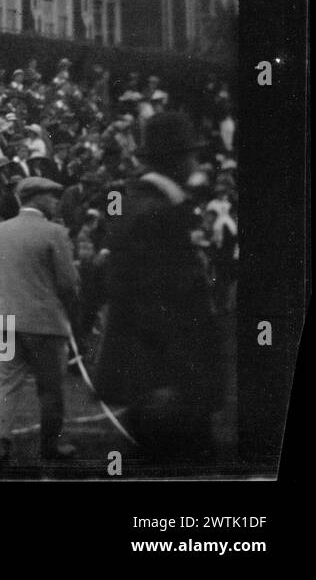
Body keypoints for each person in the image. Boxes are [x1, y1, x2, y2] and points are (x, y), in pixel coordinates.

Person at [96, 112, 224, 462]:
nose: (195, 163)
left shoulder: (140, 202)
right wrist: (166, 379)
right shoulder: (157, 213)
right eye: (191, 155)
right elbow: (155, 301)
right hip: (168, 377)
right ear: (177, 160)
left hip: (157, 377)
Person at [0, 177, 79, 465]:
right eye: (50, 196)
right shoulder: (55, 232)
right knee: (50, 388)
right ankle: (51, 445)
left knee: (6, 384)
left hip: (6, 320)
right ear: (35, 198)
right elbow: (68, 283)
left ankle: (0, 443)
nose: (55, 202)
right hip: (45, 324)